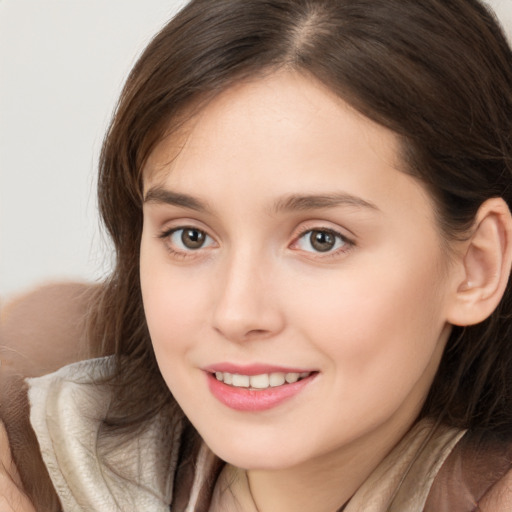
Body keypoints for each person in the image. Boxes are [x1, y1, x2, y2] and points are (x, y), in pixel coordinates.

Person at [2, 0, 512, 510]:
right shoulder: (34, 433)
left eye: (321, 239)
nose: (237, 313)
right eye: (190, 236)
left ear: (476, 267)